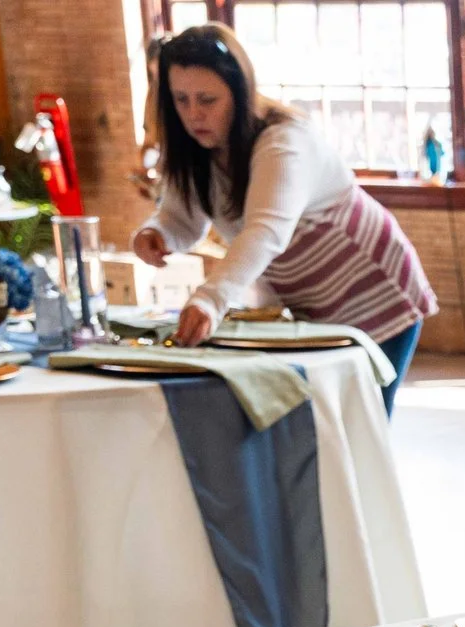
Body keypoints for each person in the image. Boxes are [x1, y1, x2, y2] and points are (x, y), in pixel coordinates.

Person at [134, 23, 436, 416]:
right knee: (320, 424)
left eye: (207, 99)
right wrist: (156, 233)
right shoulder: (199, 149)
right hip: (312, 304)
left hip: (375, 291)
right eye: (181, 99)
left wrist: (210, 300)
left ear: (239, 93)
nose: (194, 114)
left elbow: (265, 231)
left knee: (364, 419)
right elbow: (182, 218)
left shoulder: (283, 140)